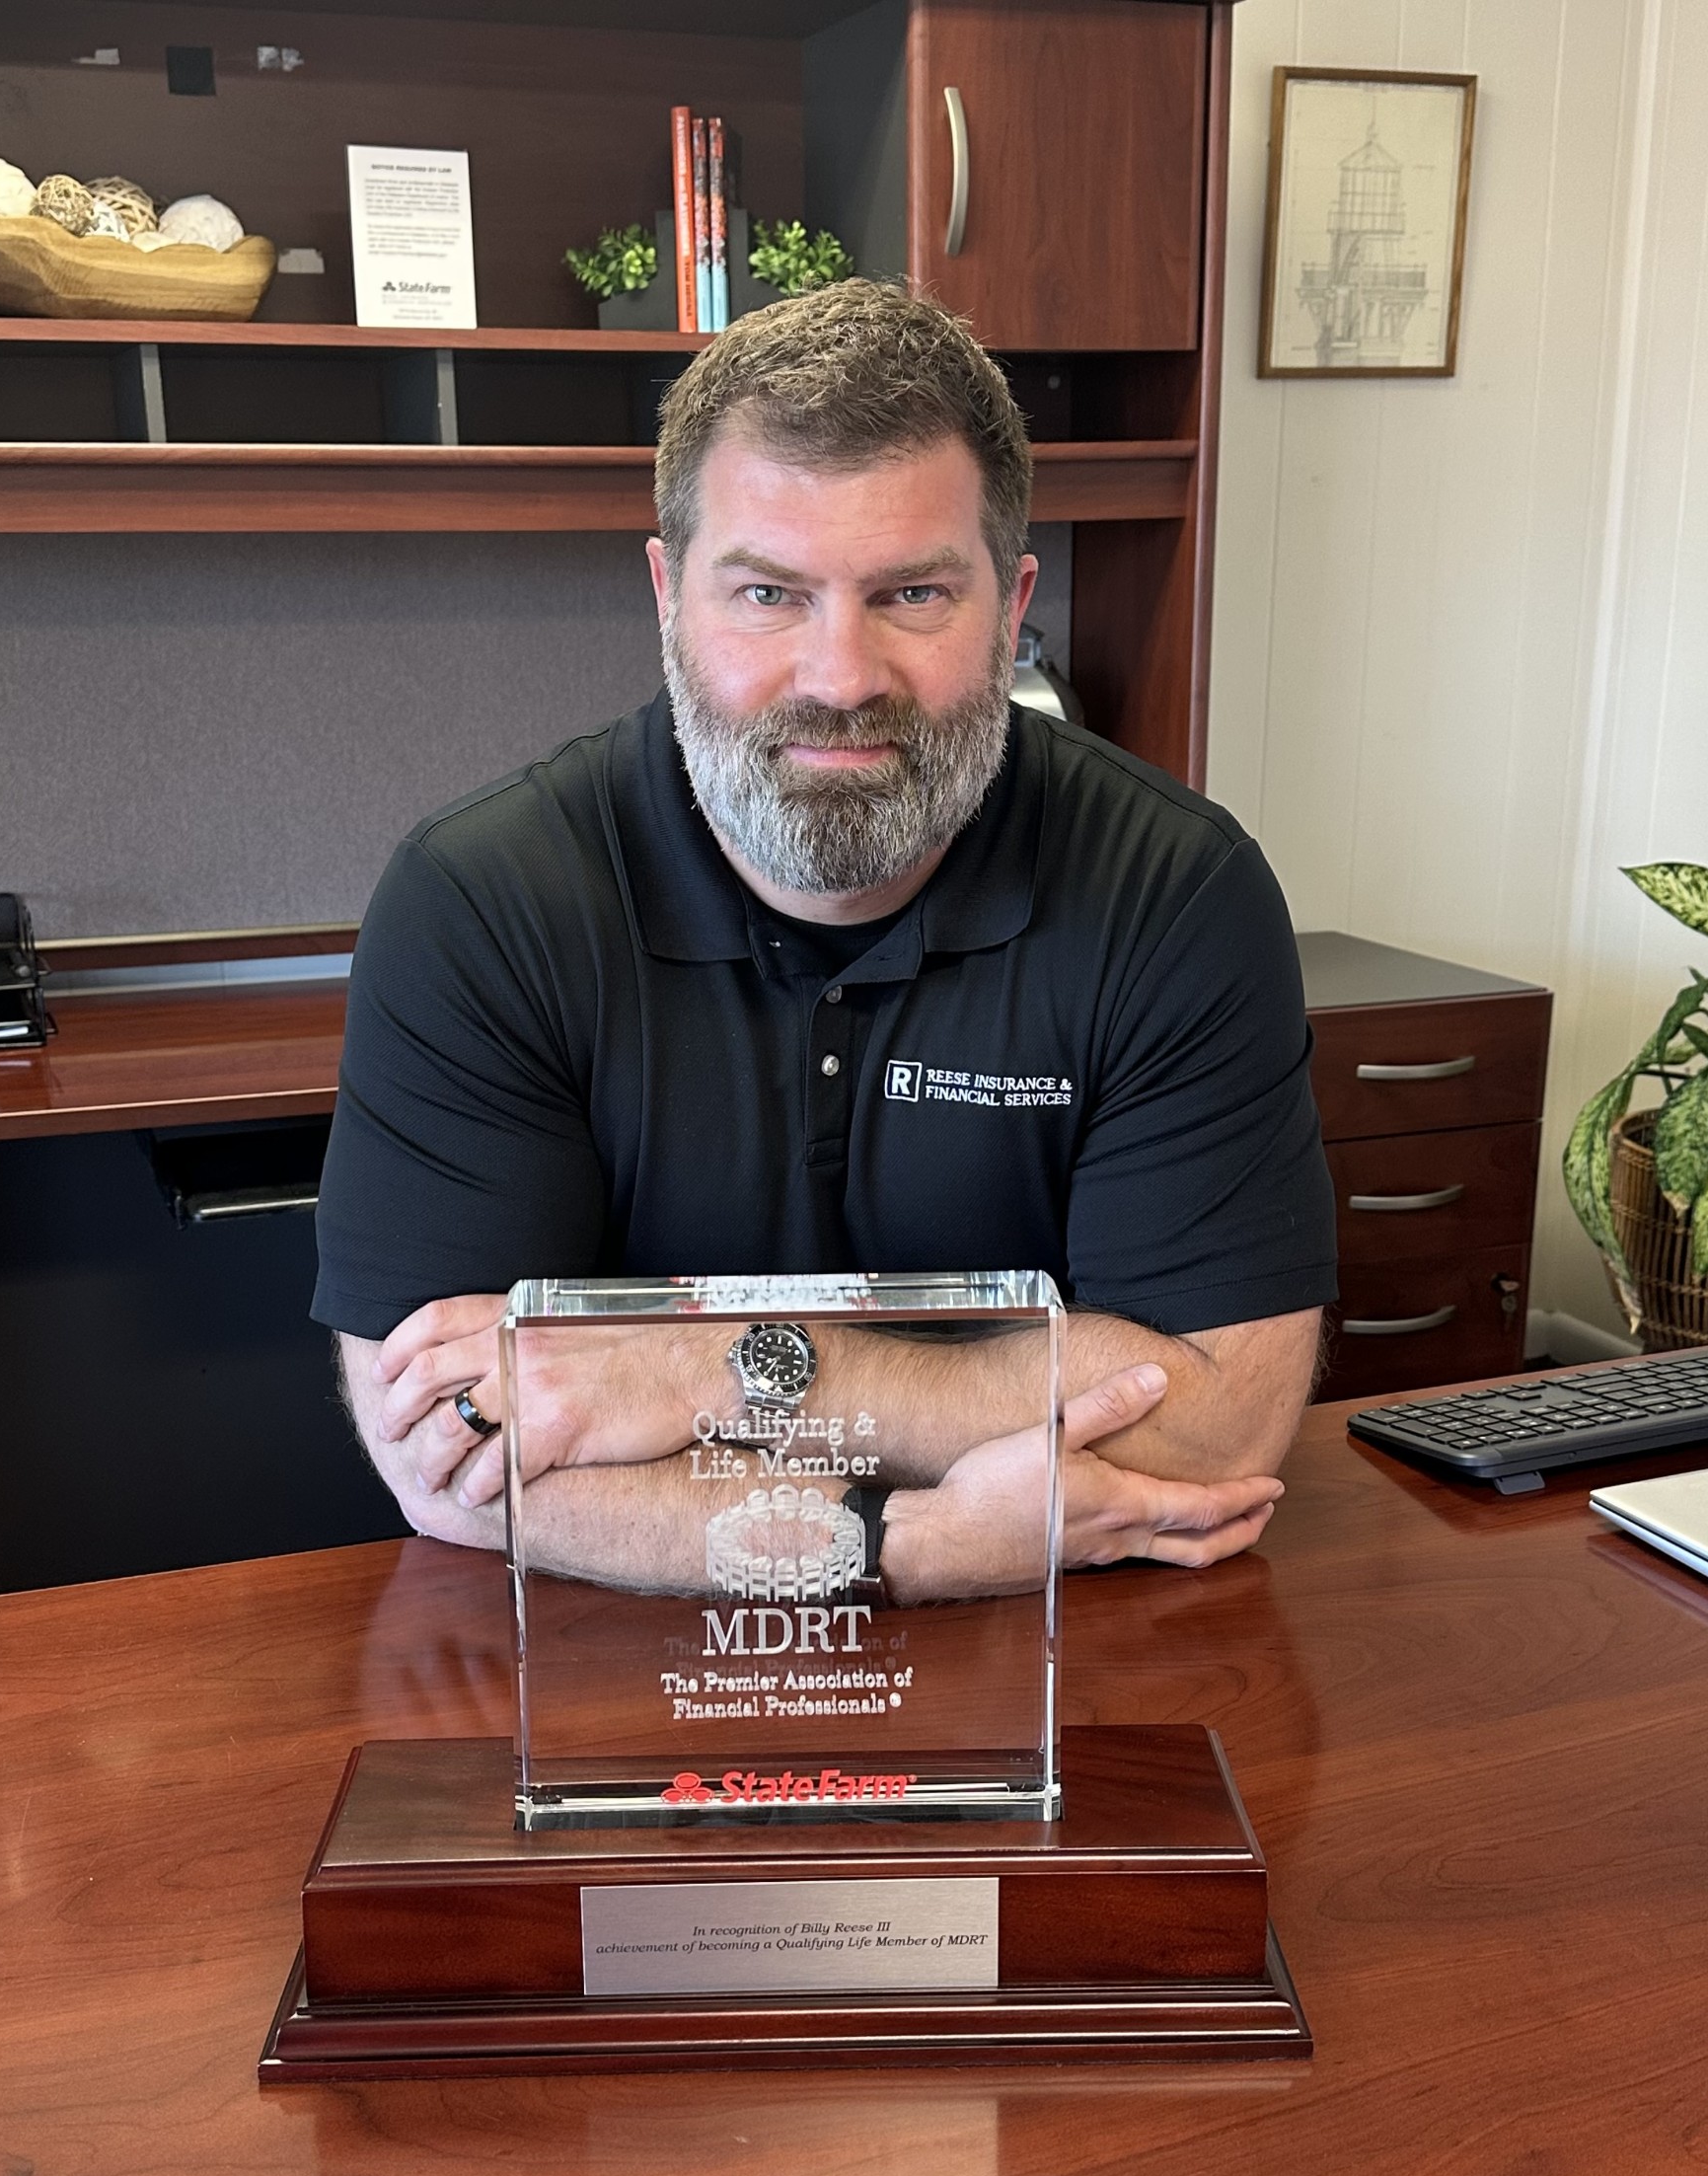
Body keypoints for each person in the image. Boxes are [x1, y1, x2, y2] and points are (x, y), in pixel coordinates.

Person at [314, 280, 1336, 1601]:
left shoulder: (1175, 894)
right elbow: (449, 1464)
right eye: (768, 594)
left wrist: (724, 1363)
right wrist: (894, 1545)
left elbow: (1217, 1427)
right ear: (667, 591)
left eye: (912, 592)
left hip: (1096, 1667)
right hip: (608, 1694)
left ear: (1012, 602)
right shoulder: (481, 905)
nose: (840, 676)